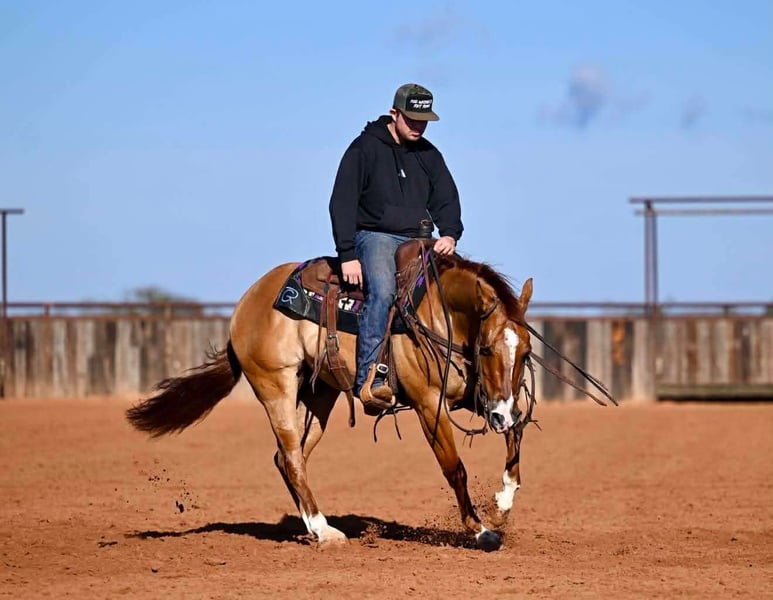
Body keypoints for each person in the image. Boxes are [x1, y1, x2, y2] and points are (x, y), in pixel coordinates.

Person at [328, 83, 463, 414]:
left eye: (424, 121)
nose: (418, 127)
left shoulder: (429, 155)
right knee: (384, 292)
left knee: (456, 288)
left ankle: (461, 375)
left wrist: (449, 234)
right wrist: (347, 254)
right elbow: (341, 201)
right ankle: (370, 379)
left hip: (421, 238)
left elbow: (446, 197)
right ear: (394, 114)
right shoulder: (364, 149)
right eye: (412, 119)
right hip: (375, 236)